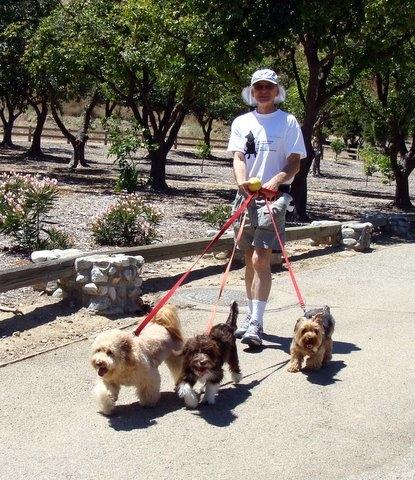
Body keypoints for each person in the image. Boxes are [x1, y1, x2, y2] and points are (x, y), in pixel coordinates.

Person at [227, 68, 306, 347]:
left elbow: (295, 161)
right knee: (249, 259)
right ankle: (251, 318)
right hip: (247, 197)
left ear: (277, 91)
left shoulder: (288, 122)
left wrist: (276, 180)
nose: (263, 91)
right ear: (251, 91)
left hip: (274, 198)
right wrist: (241, 183)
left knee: (262, 258)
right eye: (258, 87)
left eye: (268, 87)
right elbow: (238, 157)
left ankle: (257, 323)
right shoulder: (241, 122)